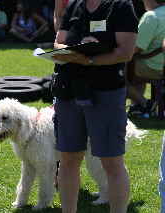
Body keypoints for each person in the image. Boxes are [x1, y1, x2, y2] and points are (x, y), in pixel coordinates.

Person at [51, 0, 138, 212]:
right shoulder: (74, 7)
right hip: (68, 90)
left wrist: (90, 59)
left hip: (105, 92)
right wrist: (75, 50)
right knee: (68, 159)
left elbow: (126, 52)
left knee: (111, 161)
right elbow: (58, 42)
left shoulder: (120, 7)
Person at [126, 0, 165, 117]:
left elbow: (135, 48)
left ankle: (146, 103)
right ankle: (138, 106)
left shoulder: (151, 16)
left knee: (114, 73)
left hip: (153, 66)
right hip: (160, 63)